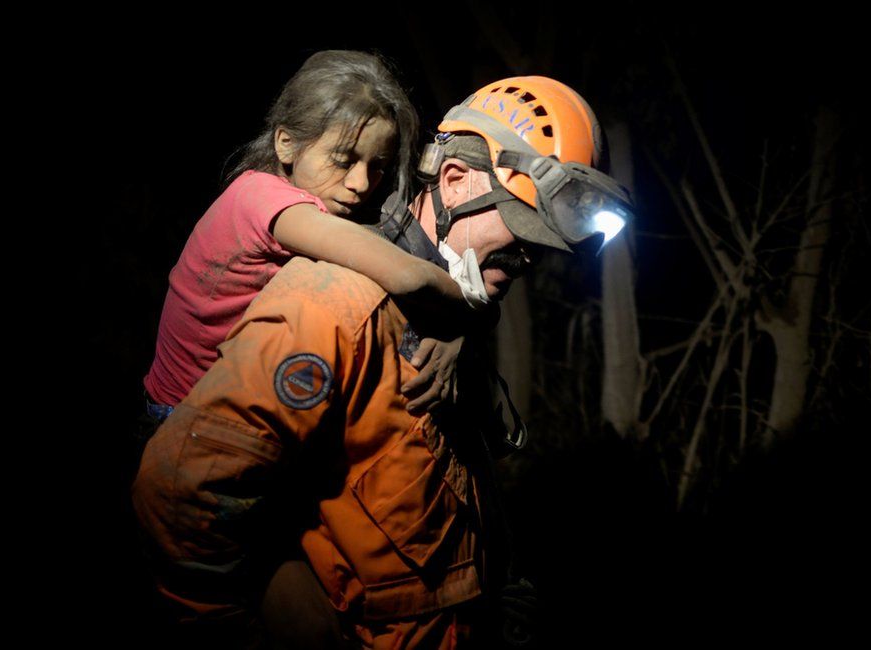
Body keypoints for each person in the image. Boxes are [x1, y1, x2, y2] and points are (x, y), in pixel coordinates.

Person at [133, 76, 634, 648]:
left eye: (542, 249)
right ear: (455, 179)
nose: (524, 262)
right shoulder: (332, 305)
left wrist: (493, 592)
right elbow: (178, 493)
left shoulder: (453, 310)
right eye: (521, 233)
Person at [139, 50, 475, 440]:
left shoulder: (275, 194)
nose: (361, 183)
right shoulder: (267, 202)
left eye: (376, 165)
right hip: (182, 424)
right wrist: (470, 315)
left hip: (214, 406)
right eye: (343, 159)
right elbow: (406, 277)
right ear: (286, 143)